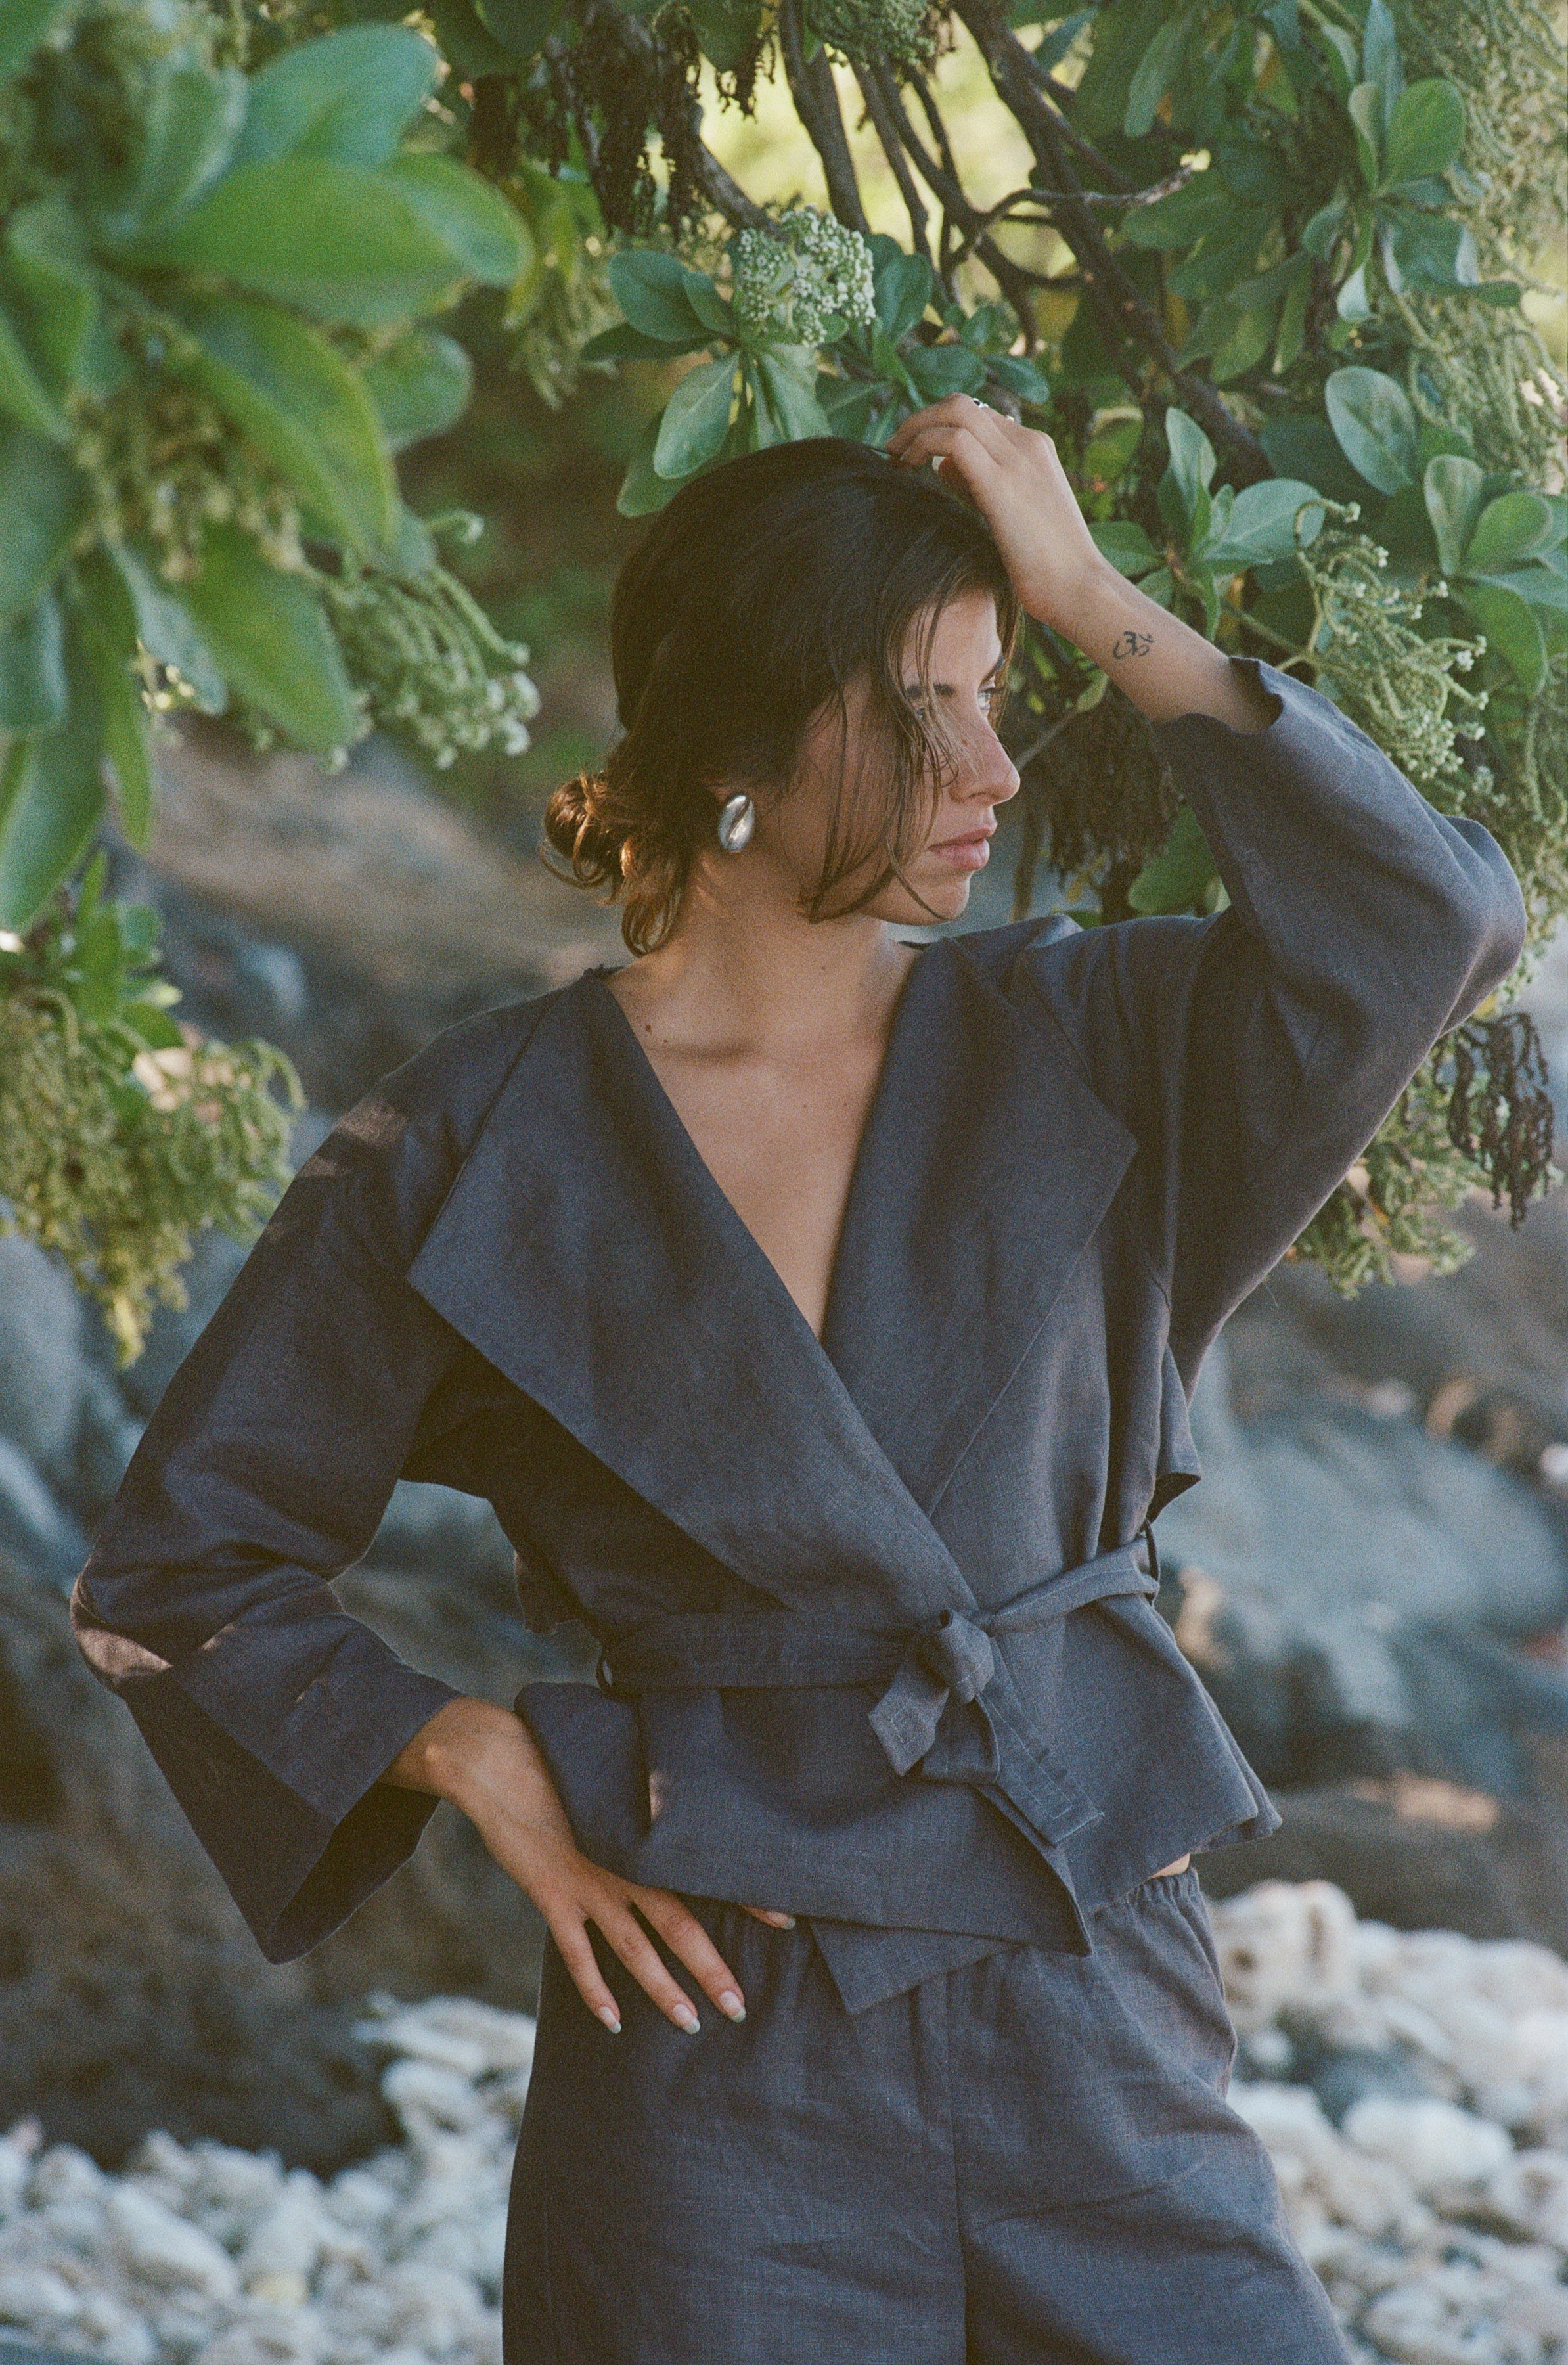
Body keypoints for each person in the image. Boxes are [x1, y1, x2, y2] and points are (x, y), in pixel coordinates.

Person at [74, 399, 1525, 2363]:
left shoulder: (1093, 1038)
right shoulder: (478, 1140)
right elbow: (178, 1570)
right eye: (934, 708)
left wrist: (1087, 587)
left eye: (1005, 692)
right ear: (752, 741)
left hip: (1086, 1988)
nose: (998, 770)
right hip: (710, 2043)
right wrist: (470, 1754)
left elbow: (1420, 920)